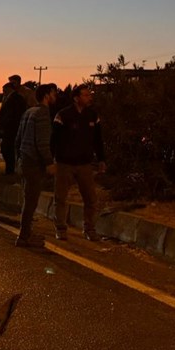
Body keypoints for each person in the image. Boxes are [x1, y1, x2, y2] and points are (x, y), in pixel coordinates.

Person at [51, 84, 106, 241]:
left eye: (90, 95)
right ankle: (60, 228)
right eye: (86, 95)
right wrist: (51, 160)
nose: (90, 97)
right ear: (76, 98)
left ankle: (89, 229)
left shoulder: (93, 116)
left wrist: (102, 159)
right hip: (64, 163)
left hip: (85, 164)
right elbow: (53, 140)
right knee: (61, 198)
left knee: (90, 199)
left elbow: (98, 140)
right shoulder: (63, 115)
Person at [14, 84, 58, 247]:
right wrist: (49, 162)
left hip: (25, 159)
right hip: (34, 162)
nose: (56, 97)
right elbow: (42, 142)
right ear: (46, 95)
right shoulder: (43, 113)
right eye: (54, 94)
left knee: (28, 198)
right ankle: (24, 236)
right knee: (31, 200)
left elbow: (18, 139)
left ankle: (25, 233)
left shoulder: (28, 112)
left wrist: (19, 157)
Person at [0, 75, 35, 174]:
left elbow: (14, 114)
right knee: (7, 149)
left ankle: (11, 170)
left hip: (12, 129)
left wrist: (5, 126)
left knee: (9, 150)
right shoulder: (9, 97)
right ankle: (10, 170)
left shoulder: (21, 96)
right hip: (10, 129)